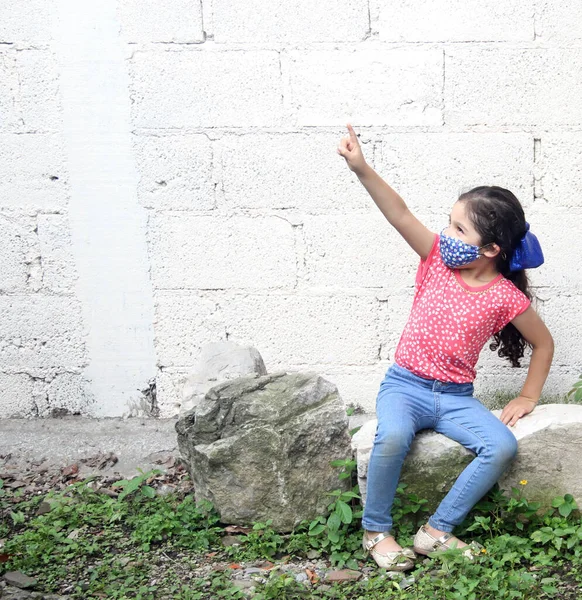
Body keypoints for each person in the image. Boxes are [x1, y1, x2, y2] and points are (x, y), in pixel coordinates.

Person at [336, 124, 554, 571]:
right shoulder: (435, 258)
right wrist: (361, 168)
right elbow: (398, 213)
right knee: (392, 435)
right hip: (405, 386)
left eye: (459, 228)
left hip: (455, 399)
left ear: (491, 248)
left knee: (500, 446)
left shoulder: (504, 296)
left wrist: (529, 394)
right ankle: (376, 531)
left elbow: (543, 343)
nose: (446, 232)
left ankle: (436, 532)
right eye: (449, 221)